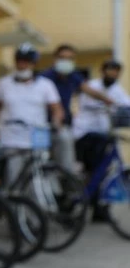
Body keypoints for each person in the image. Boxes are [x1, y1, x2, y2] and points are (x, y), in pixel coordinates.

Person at [0, 43, 64, 186]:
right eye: (19, 61)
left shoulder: (45, 85)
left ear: (33, 64)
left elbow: (57, 110)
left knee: (37, 182)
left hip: (36, 141)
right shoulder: (4, 84)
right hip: (11, 141)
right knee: (13, 180)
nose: (22, 65)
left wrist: (56, 123)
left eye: (27, 62)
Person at [41, 44, 115, 174]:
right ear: (55, 59)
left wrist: (108, 100)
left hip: (63, 125)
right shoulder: (45, 78)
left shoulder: (73, 76)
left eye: (70, 59)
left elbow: (88, 89)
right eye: (63, 58)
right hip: (43, 125)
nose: (66, 61)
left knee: (66, 160)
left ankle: (66, 183)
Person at [73, 59, 130, 221]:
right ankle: (82, 204)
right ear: (103, 71)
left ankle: (98, 210)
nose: (113, 74)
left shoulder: (117, 89)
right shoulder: (92, 86)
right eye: (110, 70)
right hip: (85, 134)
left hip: (104, 135)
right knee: (91, 172)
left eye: (116, 71)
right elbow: (93, 103)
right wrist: (109, 104)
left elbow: (126, 105)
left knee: (103, 172)